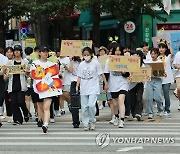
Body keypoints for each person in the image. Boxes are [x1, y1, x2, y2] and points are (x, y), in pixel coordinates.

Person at [76, 47, 108, 131]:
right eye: (84, 55)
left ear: (91, 55)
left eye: (88, 55)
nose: (86, 56)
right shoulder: (81, 64)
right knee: (84, 107)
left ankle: (92, 121)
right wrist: (77, 85)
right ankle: (86, 124)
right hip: (83, 88)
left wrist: (106, 84)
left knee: (91, 105)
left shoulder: (96, 63)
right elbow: (79, 76)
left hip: (93, 87)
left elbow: (102, 74)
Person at [30, 46, 56, 133]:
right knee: (40, 107)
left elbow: (55, 75)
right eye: (43, 51)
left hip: (49, 88)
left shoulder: (51, 64)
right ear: (39, 53)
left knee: (46, 107)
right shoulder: (34, 63)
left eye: (46, 52)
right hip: (38, 88)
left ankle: (45, 124)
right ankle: (41, 120)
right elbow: (31, 75)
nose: (45, 53)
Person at [104, 43, 129, 128]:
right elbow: (106, 74)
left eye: (119, 50)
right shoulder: (109, 61)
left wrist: (124, 72)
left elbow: (128, 74)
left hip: (123, 83)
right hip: (113, 84)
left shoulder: (125, 60)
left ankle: (122, 120)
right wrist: (105, 84)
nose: (118, 52)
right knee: (115, 103)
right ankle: (116, 116)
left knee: (121, 100)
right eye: (116, 50)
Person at [6, 45, 29, 125]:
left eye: (18, 50)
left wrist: (26, 71)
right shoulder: (9, 63)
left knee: (21, 102)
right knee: (14, 103)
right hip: (12, 85)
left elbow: (28, 75)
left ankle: (26, 113)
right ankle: (18, 119)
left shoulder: (25, 62)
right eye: (15, 50)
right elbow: (6, 76)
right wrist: (5, 72)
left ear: (21, 52)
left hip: (21, 85)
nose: (16, 52)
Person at [145, 48, 164, 119]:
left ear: (157, 54)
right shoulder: (148, 62)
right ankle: (150, 113)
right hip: (149, 80)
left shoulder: (160, 62)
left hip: (157, 80)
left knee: (158, 97)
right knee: (149, 97)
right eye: (152, 54)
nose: (153, 55)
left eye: (154, 54)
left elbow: (162, 73)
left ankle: (160, 110)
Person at [158, 41, 174, 117]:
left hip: (167, 79)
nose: (161, 49)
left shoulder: (168, 57)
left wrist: (169, 45)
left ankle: (167, 109)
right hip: (158, 78)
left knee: (166, 94)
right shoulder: (156, 57)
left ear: (165, 49)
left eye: (163, 48)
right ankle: (160, 109)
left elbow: (172, 54)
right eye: (160, 48)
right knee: (158, 95)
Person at [129, 50, 144, 121]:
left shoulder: (143, 65)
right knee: (132, 100)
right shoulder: (129, 65)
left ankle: (139, 113)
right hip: (131, 85)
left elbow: (146, 75)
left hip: (140, 84)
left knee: (139, 98)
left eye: (138, 56)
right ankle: (134, 113)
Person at [58, 49, 72, 115]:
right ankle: (62, 109)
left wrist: (66, 67)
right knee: (60, 95)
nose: (59, 53)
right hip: (58, 80)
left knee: (66, 94)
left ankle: (69, 103)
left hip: (67, 79)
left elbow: (71, 70)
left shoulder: (68, 59)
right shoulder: (56, 59)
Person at [4, 47, 14, 123]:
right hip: (6, 84)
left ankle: (15, 114)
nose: (9, 53)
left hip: (15, 83)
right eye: (7, 52)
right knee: (7, 100)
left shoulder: (16, 61)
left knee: (15, 100)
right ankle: (9, 115)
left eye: (10, 52)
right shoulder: (4, 61)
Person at [0, 47, 8, 126]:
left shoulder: (3, 58)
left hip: (1, 80)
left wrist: (3, 72)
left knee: (1, 96)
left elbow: (5, 70)